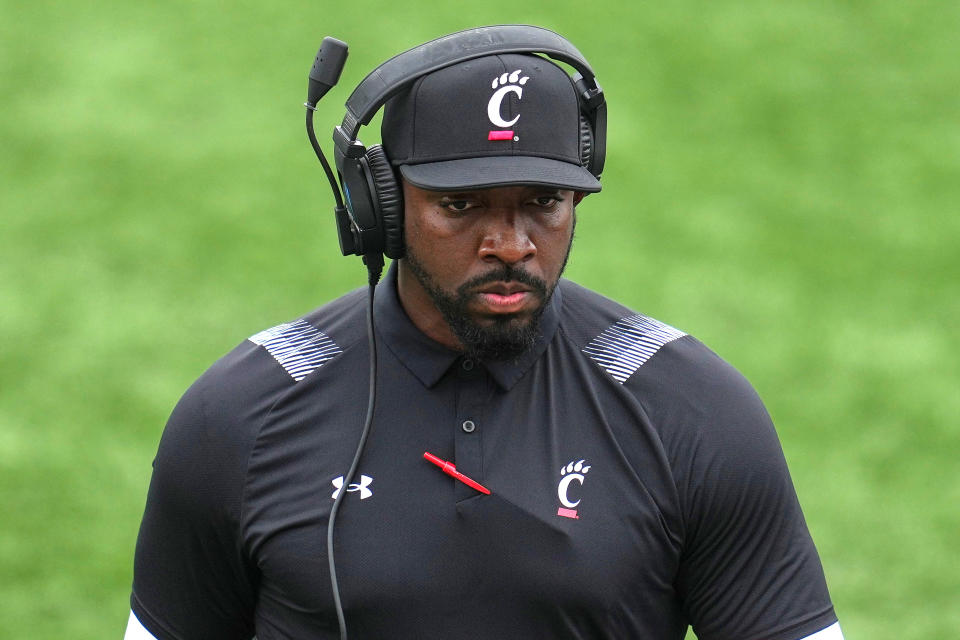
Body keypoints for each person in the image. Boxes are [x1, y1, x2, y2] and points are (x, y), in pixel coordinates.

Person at [125, 26, 844, 640]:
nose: (510, 242)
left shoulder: (692, 413)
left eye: (544, 202)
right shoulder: (241, 419)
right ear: (376, 204)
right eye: (461, 204)